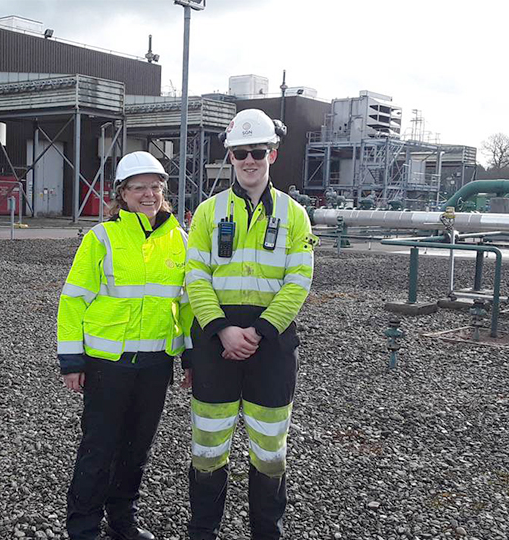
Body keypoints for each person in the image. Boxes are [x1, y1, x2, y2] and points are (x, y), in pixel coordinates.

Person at [184, 109, 317, 540]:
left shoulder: (295, 215)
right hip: (215, 343)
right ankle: (202, 532)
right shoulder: (207, 212)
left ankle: (267, 533)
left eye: (257, 151)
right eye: (240, 153)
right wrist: (222, 328)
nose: (249, 160)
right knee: (207, 449)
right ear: (231, 155)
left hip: (271, 346)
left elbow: (299, 281)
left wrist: (258, 332)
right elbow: (195, 276)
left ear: (272, 154)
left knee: (270, 451)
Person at [56, 151, 192, 540]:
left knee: (136, 452)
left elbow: (184, 304)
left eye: (155, 186)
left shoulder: (177, 240)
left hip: (155, 366)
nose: (149, 194)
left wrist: (189, 357)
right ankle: (82, 528)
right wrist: (71, 360)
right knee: (98, 451)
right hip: (107, 365)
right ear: (122, 193)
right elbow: (73, 300)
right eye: (139, 188)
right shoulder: (102, 237)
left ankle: (122, 522)